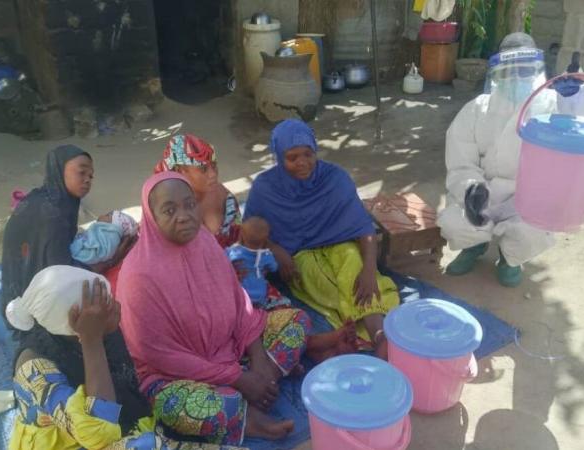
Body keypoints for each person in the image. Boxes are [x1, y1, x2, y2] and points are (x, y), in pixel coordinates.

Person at [116, 172, 352, 445]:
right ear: (151, 216)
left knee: (296, 321)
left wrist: (260, 363)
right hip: (177, 377)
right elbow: (158, 356)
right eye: (169, 210)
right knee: (179, 406)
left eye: (190, 204)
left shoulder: (204, 242)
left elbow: (240, 304)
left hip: (231, 353)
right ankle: (248, 416)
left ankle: (264, 384)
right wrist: (238, 377)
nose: (184, 215)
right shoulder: (138, 275)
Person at [437, 32, 584, 287]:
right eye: (510, 69)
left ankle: (509, 259)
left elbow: (581, 128)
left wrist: (575, 96)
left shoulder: (553, 104)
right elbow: (460, 160)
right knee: (455, 222)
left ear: (535, 70)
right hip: (485, 190)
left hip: (530, 195)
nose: (516, 76)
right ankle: (474, 247)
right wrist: (471, 189)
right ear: (498, 71)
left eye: (524, 69)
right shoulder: (478, 108)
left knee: (531, 232)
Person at [6, 265, 226, 450]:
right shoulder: (33, 368)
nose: (115, 307)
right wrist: (92, 341)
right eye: (102, 307)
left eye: (107, 298)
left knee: (199, 404)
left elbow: (129, 384)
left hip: (128, 426)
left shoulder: (100, 328)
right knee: (145, 445)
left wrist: (96, 335)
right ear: (77, 326)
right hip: (78, 443)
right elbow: (99, 431)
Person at [244, 119, 400, 360]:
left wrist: (370, 269)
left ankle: (379, 336)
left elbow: (362, 226)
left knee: (354, 267)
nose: (302, 163)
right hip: (299, 254)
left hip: (340, 242)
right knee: (325, 280)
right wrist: (275, 248)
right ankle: (367, 332)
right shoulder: (265, 189)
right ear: (278, 156)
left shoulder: (335, 179)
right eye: (292, 157)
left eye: (308, 154)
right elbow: (249, 232)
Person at [0, 146, 135, 319]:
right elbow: (62, 275)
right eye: (82, 172)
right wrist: (111, 260)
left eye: (91, 176)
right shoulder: (52, 214)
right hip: (29, 305)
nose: (87, 180)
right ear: (59, 169)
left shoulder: (46, 198)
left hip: (17, 285)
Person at [154, 134, 241, 248]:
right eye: (203, 169)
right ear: (179, 171)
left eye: (214, 166)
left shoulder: (223, 196)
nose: (213, 174)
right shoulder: (164, 210)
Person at [226, 217, 291, 311]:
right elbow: (274, 268)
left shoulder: (233, 252)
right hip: (260, 294)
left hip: (241, 293)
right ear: (265, 240)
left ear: (242, 235)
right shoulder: (266, 255)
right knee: (285, 302)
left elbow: (223, 259)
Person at [70, 210, 138, 265]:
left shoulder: (112, 236)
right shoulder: (103, 231)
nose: (102, 215)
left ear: (112, 222)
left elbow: (106, 251)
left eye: (107, 215)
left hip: (82, 255)